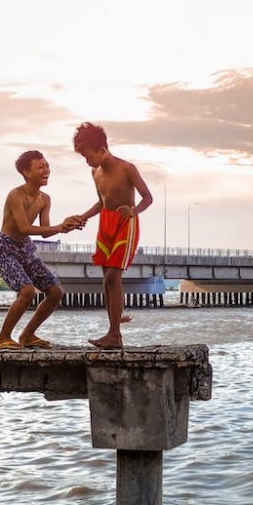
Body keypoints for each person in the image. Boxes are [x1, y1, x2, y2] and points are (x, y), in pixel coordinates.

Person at [71, 122, 153, 349]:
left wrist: (134, 211)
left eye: (89, 156)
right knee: (106, 280)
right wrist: (83, 216)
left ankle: (115, 334)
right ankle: (112, 334)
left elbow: (148, 197)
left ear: (102, 150)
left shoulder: (127, 168)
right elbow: (102, 201)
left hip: (125, 222)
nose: (87, 162)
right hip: (105, 223)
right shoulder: (94, 172)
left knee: (112, 278)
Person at [0, 150, 81, 350]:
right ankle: (3, 337)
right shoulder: (16, 195)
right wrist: (59, 226)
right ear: (26, 172)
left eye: (47, 166)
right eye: (40, 167)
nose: (46, 170)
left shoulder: (45, 199)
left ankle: (28, 334)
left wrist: (67, 226)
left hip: (26, 248)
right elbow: (24, 228)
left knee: (56, 291)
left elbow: (46, 232)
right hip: (6, 248)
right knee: (27, 291)